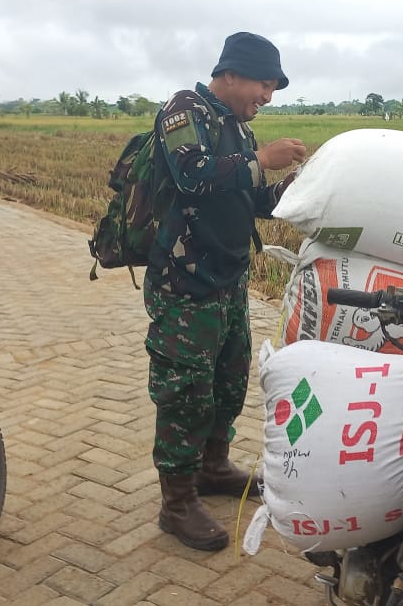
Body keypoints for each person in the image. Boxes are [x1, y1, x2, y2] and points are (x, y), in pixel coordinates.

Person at [144, 32, 307, 551]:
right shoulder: (184, 109)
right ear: (231, 74)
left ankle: (213, 468)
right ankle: (177, 503)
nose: (268, 96)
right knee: (184, 392)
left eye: (274, 87)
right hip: (186, 285)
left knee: (227, 383)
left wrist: (301, 190)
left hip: (228, 279)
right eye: (264, 84)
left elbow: (253, 196)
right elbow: (192, 176)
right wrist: (262, 158)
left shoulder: (235, 127)